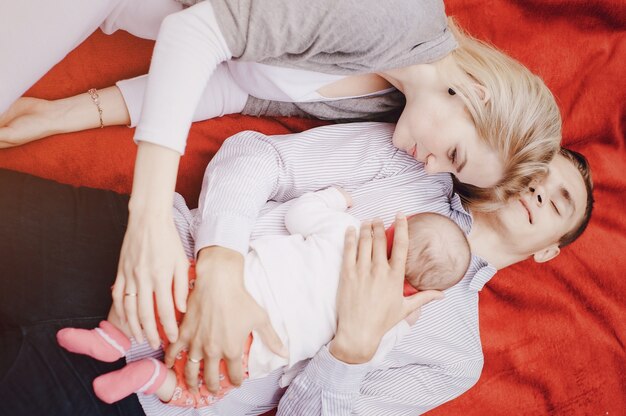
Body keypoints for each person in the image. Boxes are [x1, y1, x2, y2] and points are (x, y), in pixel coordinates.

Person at [0, 1, 563, 380]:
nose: (433, 166)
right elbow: (199, 30)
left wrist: (61, 115)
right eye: (455, 155)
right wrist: (149, 220)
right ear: (480, 96)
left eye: (451, 174)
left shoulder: (385, 104)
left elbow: (232, 86)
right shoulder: (400, 18)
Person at [0, 122, 593, 415]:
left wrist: (351, 352)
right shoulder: (412, 163)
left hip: (144, 400)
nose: (542, 192)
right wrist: (223, 268)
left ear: (549, 251)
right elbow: (257, 156)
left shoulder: (456, 356)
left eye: (561, 202)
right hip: (127, 252)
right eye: (542, 173)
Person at [56, 189, 469, 408]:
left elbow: (298, 216)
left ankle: (113, 337)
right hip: (245, 352)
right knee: (199, 391)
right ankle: (147, 378)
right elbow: (374, 353)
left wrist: (333, 201)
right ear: (417, 295)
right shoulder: (384, 328)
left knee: (155, 290)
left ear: (392, 232)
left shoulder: (344, 231)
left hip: (216, 289)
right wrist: (405, 322)